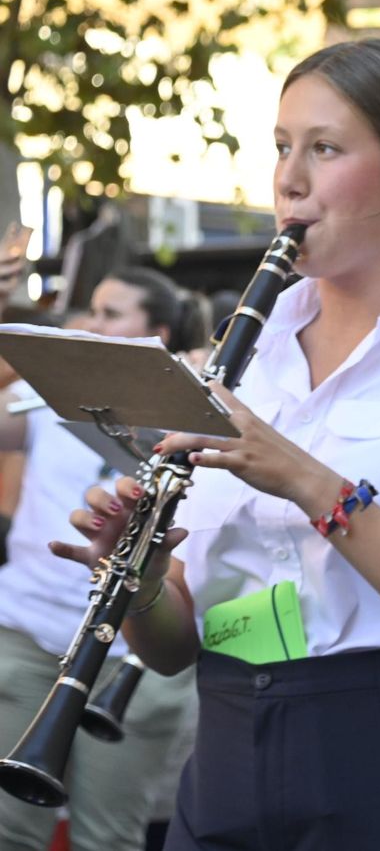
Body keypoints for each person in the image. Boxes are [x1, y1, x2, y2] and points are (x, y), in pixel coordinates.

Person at [53, 38, 380, 851]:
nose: (289, 179)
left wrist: (310, 481)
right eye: (281, 146)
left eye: (325, 149)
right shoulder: (243, 356)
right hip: (229, 751)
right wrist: (144, 574)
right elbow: (174, 649)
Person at [0, 267, 205, 851]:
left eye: (112, 315)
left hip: (131, 652)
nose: (89, 325)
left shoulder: (192, 410)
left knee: (107, 837)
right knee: (8, 833)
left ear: (157, 334)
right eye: (92, 309)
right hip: (26, 633)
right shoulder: (41, 394)